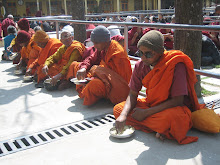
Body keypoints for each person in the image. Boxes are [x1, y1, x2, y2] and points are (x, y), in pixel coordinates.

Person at [114, 30, 202, 145]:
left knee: (176, 119)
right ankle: (162, 129)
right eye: (141, 53)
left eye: (148, 54)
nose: (144, 57)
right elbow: (132, 94)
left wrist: (146, 113)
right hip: (152, 105)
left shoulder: (174, 64)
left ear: (159, 52)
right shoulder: (140, 65)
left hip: (173, 109)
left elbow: (178, 101)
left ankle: (161, 127)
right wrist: (123, 115)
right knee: (118, 110)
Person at [67, 26, 132, 106]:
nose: (94, 45)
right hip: (103, 78)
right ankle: (88, 89)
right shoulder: (102, 48)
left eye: (96, 43)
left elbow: (118, 80)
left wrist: (94, 75)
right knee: (75, 65)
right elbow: (91, 58)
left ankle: (92, 92)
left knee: (93, 85)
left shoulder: (117, 53)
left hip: (115, 86)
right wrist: (84, 68)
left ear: (105, 41)